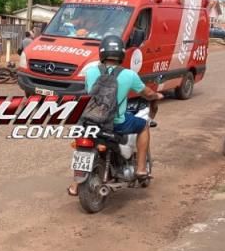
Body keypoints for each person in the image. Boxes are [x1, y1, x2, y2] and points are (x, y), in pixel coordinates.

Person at [67, 35, 164, 196]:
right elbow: (147, 93)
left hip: (89, 122)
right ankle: (140, 169)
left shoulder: (90, 72)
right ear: (122, 54)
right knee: (143, 126)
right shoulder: (129, 75)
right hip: (116, 123)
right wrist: (156, 96)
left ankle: (75, 185)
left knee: (82, 146)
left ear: (102, 53)